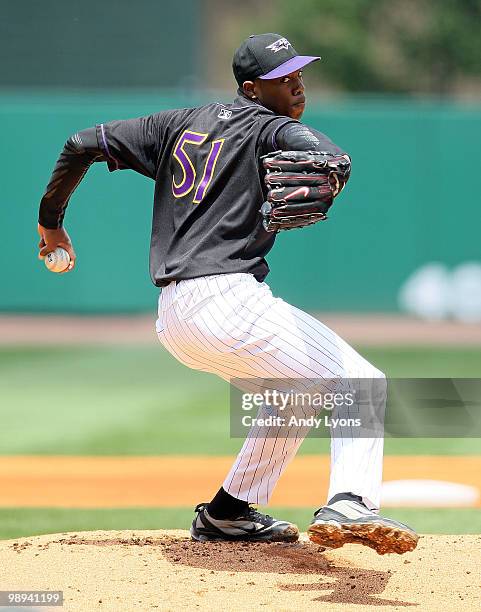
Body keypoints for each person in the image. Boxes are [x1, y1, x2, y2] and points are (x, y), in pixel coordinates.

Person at [37, 33, 418, 555]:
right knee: (361, 382)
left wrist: (50, 224)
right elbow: (331, 156)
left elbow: (81, 142)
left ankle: (229, 512)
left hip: (177, 318)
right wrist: (336, 170)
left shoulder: (172, 125)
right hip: (227, 298)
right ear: (251, 88)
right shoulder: (272, 127)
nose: (298, 86)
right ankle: (351, 501)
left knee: (296, 394)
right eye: (284, 79)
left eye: (299, 74)